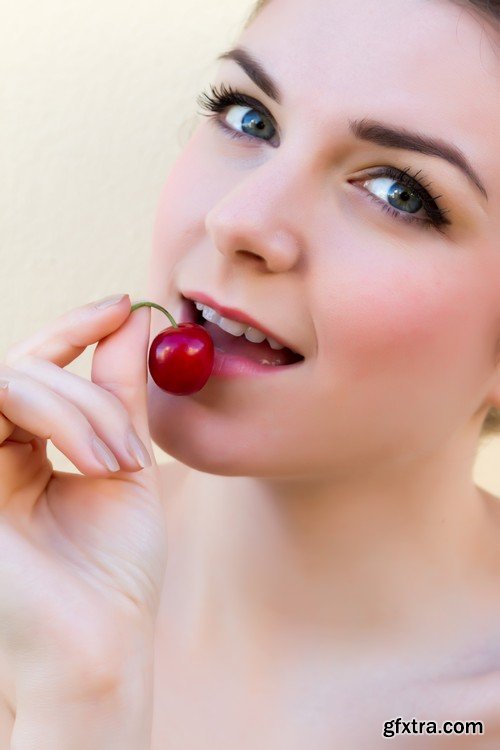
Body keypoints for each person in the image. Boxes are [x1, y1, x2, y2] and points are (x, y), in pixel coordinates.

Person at [0, 0, 499, 747]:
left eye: (401, 192)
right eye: (249, 117)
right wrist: (74, 695)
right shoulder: (20, 580)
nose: (238, 219)